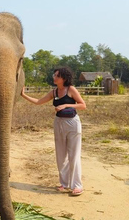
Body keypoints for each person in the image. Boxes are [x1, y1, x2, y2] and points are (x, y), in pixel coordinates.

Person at [21, 67, 86, 196]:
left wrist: (66, 105)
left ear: (64, 78)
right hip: (59, 123)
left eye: (57, 75)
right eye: (54, 75)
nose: (54, 77)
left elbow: (83, 105)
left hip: (72, 123)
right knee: (61, 155)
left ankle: (77, 185)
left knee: (74, 155)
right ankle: (64, 183)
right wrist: (23, 95)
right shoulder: (54, 92)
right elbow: (39, 102)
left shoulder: (71, 89)